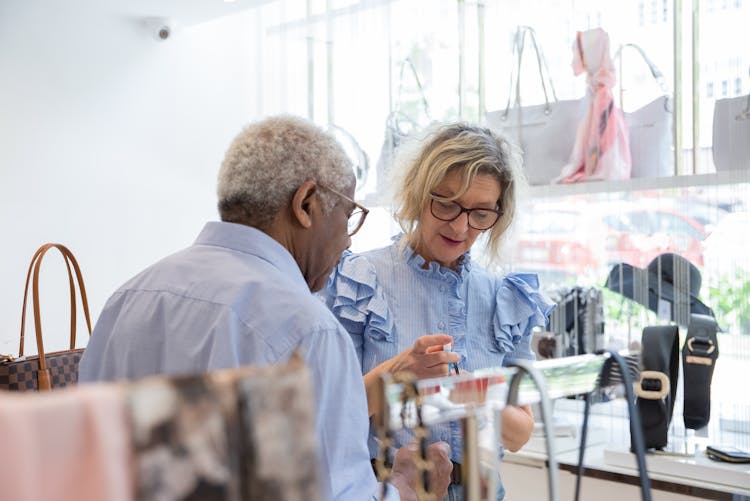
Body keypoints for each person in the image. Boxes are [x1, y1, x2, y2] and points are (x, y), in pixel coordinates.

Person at [78, 115, 452, 501]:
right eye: (347, 215)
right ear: (306, 204)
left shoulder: (127, 299)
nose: (347, 242)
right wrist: (406, 488)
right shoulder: (307, 330)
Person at [319, 122, 556, 500]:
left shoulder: (505, 298)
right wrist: (396, 373)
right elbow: (329, 415)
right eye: (446, 203)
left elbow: (519, 432)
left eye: (480, 213)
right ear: (418, 192)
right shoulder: (360, 282)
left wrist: (469, 394)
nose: (461, 226)